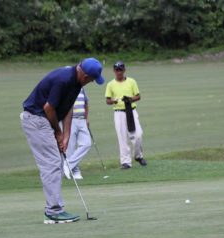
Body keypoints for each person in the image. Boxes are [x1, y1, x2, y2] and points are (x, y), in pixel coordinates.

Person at [20, 58, 104, 224]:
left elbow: (68, 108)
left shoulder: (76, 83)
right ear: (85, 75)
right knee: (51, 163)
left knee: (55, 162)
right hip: (36, 119)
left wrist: (66, 136)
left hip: (44, 119)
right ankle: (53, 212)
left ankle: (54, 209)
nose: (90, 82)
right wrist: (58, 133)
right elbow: (48, 108)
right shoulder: (64, 79)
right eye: (91, 80)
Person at [105, 61, 147, 169]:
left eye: (121, 69)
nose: (119, 72)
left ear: (124, 70)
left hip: (131, 111)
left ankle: (138, 156)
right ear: (114, 71)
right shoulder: (110, 84)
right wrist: (113, 101)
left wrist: (130, 99)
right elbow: (107, 100)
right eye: (117, 70)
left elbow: (138, 96)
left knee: (138, 135)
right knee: (122, 138)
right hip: (119, 113)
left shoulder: (131, 81)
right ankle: (126, 162)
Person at [63, 87, 92, 180]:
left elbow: (86, 104)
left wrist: (86, 119)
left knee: (87, 144)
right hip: (70, 120)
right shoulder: (66, 89)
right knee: (70, 148)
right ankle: (75, 171)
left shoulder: (81, 88)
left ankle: (68, 165)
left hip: (82, 120)